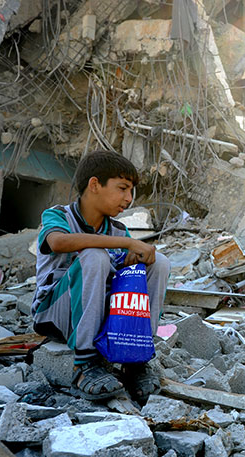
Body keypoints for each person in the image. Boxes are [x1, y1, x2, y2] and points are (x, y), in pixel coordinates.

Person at [32, 150, 171, 402]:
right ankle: (84, 366)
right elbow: (59, 242)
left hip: (96, 315)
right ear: (94, 184)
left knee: (158, 262)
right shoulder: (58, 215)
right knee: (95, 256)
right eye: (122, 188)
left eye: (131, 192)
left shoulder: (117, 229)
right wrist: (125, 244)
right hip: (54, 313)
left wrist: (133, 260)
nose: (128, 199)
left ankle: (136, 359)